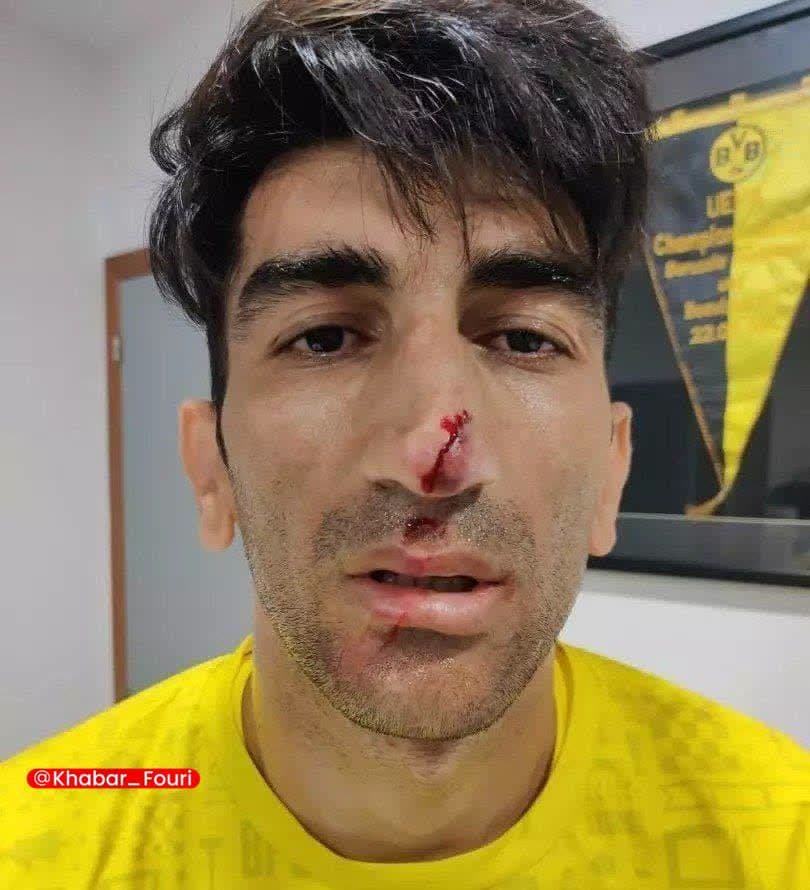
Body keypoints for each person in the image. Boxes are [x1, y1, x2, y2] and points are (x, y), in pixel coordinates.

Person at [2, 1, 808, 887]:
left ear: (612, 470)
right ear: (210, 470)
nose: (432, 450)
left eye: (524, 338)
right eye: (325, 338)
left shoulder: (780, 835)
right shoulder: (35, 845)